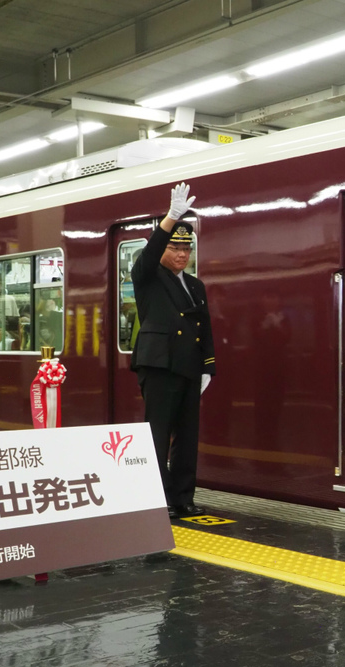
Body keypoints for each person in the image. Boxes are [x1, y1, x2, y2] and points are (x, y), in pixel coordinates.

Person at [131, 182, 216, 518]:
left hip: (189, 366)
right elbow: (148, 257)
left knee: (187, 437)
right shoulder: (149, 276)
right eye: (175, 248)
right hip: (160, 365)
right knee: (158, 434)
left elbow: (204, 325)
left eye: (187, 249)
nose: (182, 254)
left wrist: (208, 366)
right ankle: (158, 498)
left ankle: (183, 497)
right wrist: (169, 218)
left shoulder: (196, 285)